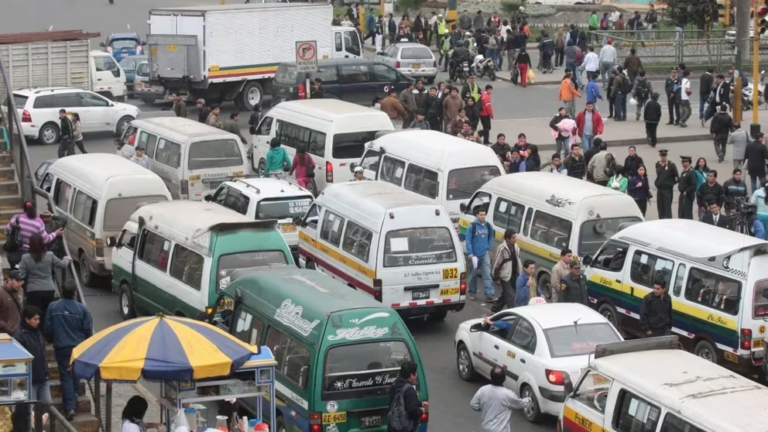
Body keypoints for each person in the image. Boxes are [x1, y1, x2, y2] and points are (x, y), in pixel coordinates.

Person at [44, 281, 92, 421]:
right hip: (77, 347)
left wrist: (50, 338)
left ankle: (70, 407)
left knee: (65, 375)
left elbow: (48, 327)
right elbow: (88, 329)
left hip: (61, 346)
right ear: (75, 292)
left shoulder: (53, 307)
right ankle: (75, 393)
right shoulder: (81, 308)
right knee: (75, 371)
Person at [20, 233, 71, 328]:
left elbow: (21, 274)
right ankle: (47, 332)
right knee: (47, 312)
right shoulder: (50, 255)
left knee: (34, 314)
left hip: (33, 290)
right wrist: (66, 258)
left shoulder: (25, 258)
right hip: (49, 289)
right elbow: (63, 265)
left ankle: (36, 332)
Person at [13, 306, 51, 414]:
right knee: (30, 408)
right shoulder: (19, 335)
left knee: (47, 402)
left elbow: (42, 353)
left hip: (42, 376)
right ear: (27, 319)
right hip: (29, 379)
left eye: (39, 319)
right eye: (35, 319)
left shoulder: (37, 332)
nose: (38, 322)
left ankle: (39, 424)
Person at [469, 366, 530, 432]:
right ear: (504, 379)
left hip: (486, 429)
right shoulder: (508, 394)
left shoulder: (483, 390)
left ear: (491, 377)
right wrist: (529, 399)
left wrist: (484, 408)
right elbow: (520, 404)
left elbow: (473, 404)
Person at [4, 202, 61, 270]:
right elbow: (45, 239)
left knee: (16, 272)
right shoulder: (39, 222)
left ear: (24, 208)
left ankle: (16, 275)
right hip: (30, 256)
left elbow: (6, 231)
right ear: (35, 209)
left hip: (14, 254)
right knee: (27, 274)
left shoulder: (16, 218)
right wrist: (55, 233)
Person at [465, 207, 495, 302]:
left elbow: (490, 237)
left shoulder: (488, 226)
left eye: (484, 214)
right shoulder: (472, 227)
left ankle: (489, 294)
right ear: (477, 215)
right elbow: (468, 241)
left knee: (487, 274)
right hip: (474, 256)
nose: (483, 216)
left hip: (484, 254)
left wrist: (488, 248)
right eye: (481, 214)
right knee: (473, 275)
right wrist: (470, 253)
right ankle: (472, 293)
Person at [387, 362, 427, 432]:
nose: (416, 375)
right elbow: (413, 411)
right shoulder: (409, 389)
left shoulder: (394, 384)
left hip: (393, 426)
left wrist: (420, 403)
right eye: (416, 373)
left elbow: (402, 401)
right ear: (411, 375)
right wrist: (422, 410)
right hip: (404, 428)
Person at [491, 229, 522, 312]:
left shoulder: (515, 247)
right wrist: (496, 278)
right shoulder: (502, 249)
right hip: (505, 276)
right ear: (507, 239)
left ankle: (496, 308)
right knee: (510, 296)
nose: (515, 239)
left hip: (514, 274)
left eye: (515, 237)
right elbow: (496, 265)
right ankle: (513, 314)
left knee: (507, 294)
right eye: (513, 238)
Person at [655, 149, 679, 219]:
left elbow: (676, 177)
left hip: (667, 190)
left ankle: (669, 222)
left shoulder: (671, 165)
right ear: (660, 156)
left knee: (667, 208)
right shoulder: (658, 164)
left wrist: (670, 183)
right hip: (660, 189)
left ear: (666, 156)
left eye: (664, 156)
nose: (663, 157)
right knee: (660, 207)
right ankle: (661, 221)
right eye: (662, 156)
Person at [0, 270, 23, 335]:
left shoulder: (21, 290)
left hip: (19, 332)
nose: (20, 283)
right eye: (17, 281)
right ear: (9, 280)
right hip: (3, 333)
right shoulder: (1, 293)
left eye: (21, 281)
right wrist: (7, 327)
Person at [677, 156, 696, 220]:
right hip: (682, 194)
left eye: (686, 162)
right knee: (681, 212)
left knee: (686, 213)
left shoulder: (691, 172)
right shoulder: (684, 171)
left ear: (689, 162)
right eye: (683, 162)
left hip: (687, 195)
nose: (684, 163)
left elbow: (693, 185)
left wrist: (687, 191)